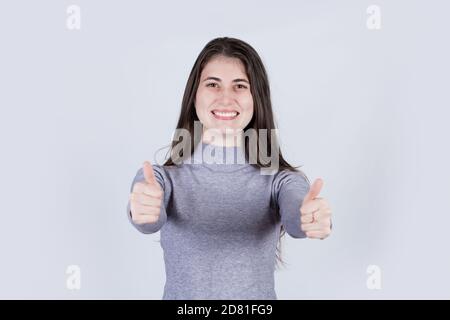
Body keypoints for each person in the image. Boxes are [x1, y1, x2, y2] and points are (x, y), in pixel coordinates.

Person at [127, 37, 333, 299]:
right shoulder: (160, 179)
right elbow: (147, 219)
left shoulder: (280, 180)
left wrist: (309, 218)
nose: (226, 98)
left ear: (256, 98)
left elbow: (296, 218)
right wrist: (142, 209)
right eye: (213, 84)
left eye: (240, 86)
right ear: (194, 96)